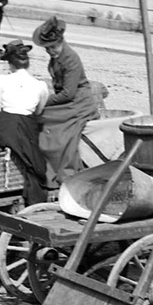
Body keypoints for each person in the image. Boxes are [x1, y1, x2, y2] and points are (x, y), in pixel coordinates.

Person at [32, 16, 100, 189]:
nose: (50, 51)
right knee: (41, 116)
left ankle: (59, 171)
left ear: (61, 41)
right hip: (68, 100)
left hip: (79, 102)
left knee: (53, 126)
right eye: (47, 48)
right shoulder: (56, 57)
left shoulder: (71, 59)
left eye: (53, 47)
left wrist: (43, 100)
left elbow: (67, 94)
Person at [0, 39, 50, 204]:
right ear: (27, 64)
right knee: (38, 168)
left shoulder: (1, 80)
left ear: (10, 65)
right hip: (24, 128)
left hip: (0, 128)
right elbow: (39, 112)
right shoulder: (40, 85)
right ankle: (34, 200)